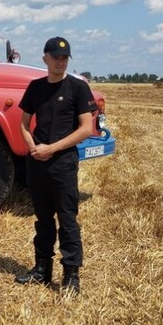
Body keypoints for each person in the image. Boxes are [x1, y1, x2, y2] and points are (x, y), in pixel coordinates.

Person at [15, 36, 96, 296]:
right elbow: (23, 124)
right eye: (55, 57)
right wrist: (33, 148)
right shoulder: (35, 87)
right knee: (43, 218)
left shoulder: (77, 87)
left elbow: (86, 128)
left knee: (67, 219)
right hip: (37, 162)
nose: (60, 62)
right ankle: (42, 270)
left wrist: (51, 148)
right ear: (45, 59)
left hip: (63, 163)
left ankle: (71, 275)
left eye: (64, 58)